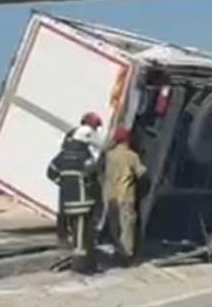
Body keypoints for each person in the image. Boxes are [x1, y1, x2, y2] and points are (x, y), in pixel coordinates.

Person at [47, 112, 104, 273]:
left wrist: (64, 184)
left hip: (66, 200)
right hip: (83, 202)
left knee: (73, 232)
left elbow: (51, 172)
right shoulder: (85, 158)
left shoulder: (62, 154)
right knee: (82, 236)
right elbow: (93, 176)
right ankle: (83, 266)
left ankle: (73, 256)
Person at [102, 126, 146, 265]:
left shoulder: (108, 155)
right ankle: (126, 255)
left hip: (110, 197)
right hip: (126, 196)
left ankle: (117, 250)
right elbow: (142, 173)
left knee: (115, 226)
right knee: (127, 227)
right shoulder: (131, 156)